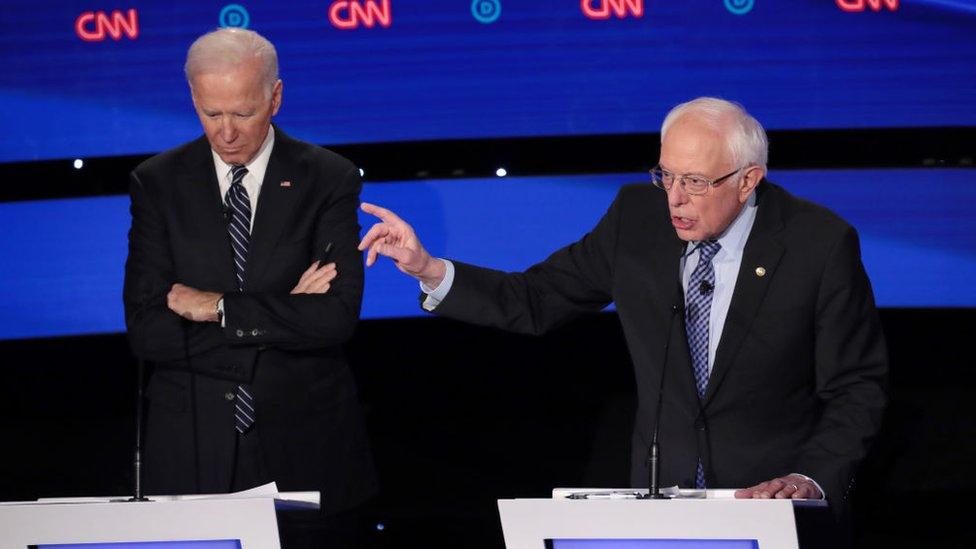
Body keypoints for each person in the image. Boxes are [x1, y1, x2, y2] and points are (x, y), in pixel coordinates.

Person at [357, 97, 887, 513]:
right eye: (666, 175)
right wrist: (428, 268)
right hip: (664, 508)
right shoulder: (637, 220)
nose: (675, 198)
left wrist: (812, 479)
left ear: (748, 180)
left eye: (696, 183)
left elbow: (857, 386)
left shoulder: (818, 243)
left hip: (774, 507)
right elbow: (536, 299)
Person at [123, 28, 375, 546]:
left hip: (306, 446)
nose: (227, 132)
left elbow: (334, 318)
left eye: (242, 113)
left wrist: (214, 307)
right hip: (191, 446)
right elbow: (149, 330)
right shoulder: (157, 182)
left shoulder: (329, 177)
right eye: (211, 114)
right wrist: (283, 312)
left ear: (275, 97)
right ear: (193, 98)